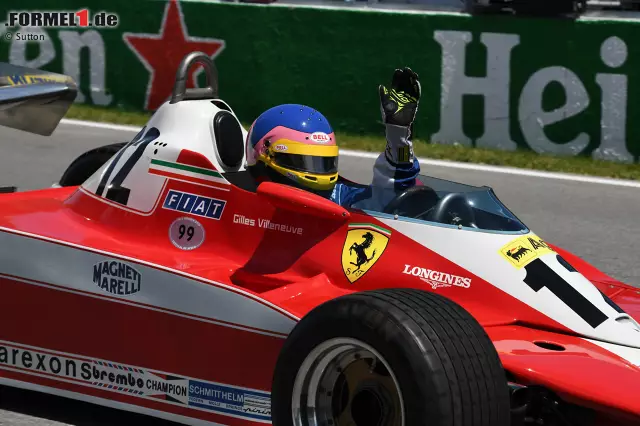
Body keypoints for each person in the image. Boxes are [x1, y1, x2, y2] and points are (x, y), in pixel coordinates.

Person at [244, 67, 421, 210]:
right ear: (266, 155)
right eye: (306, 161)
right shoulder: (240, 209)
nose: (319, 174)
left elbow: (391, 196)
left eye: (324, 162)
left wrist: (399, 136)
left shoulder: (338, 199)